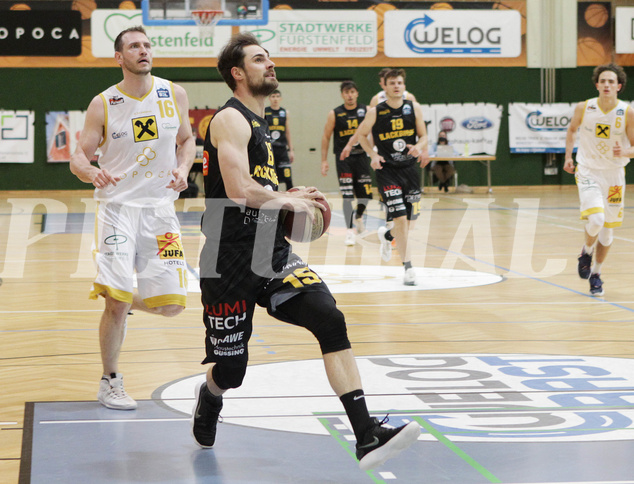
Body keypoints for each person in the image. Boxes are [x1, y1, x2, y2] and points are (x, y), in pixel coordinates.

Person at [193, 32, 420, 471]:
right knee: (232, 369)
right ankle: (212, 393)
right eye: (260, 59)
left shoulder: (264, 125)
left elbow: (258, 186)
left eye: (270, 58)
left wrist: (288, 192)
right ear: (238, 73)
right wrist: (290, 202)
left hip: (270, 250)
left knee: (329, 317)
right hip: (228, 256)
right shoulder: (229, 120)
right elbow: (239, 189)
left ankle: (366, 434)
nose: (271, 64)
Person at [70, 26, 196, 410]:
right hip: (117, 212)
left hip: (160, 212)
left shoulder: (174, 93)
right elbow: (78, 156)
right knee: (115, 304)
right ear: (119, 57)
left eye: (146, 45)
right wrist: (92, 173)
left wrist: (184, 168)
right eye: (134, 46)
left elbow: (187, 140)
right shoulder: (103, 103)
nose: (143, 51)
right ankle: (110, 380)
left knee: (172, 305)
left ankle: (120, 294)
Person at [563, 63, 634, 297]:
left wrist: (625, 152)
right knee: (596, 219)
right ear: (596, 84)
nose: (606, 84)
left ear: (619, 86)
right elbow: (571, 130)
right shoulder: (585, 107)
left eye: (611, 81)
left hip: (614, 175)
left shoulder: (627, 112)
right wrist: (568, 157)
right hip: (588, 171)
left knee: (607, 232)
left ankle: (596, 273)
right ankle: (585, 251)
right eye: (602, 80)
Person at [353, 68, 428, 285]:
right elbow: (361, 135)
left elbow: (423, 136)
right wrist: (373, 155)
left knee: (410, 221)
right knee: (401, 219)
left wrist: (419, 147)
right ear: (384, 87)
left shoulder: (414, 108)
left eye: (400, 83)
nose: (396, 86)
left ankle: (387, 236)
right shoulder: (375, 111)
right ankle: (408, 268)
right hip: (387, 171)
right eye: (392, 83)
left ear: (404, 86)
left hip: (410, 170)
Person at [321, 80, 373, 246]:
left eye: (352, 92)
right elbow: (326, 136)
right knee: (347, 196)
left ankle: (358, 218)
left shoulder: (366, 111)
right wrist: (324, 160)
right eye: (346, 92)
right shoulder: (335, 113)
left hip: (362, 157)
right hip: (344, 159)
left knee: (365, 195)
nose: (350, 95)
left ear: (357, 93)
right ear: (342, 95)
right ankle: (349, 230)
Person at [264, 89, 295, 190]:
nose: (275, 99)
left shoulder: (285, 112)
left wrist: (291, 150)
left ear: (280, 98)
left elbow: (288, 132)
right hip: (270, 149)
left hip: (282, 149)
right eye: (273, 96)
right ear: (269, 98)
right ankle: (274, 199)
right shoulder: (265, 111)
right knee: (272, 177)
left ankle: (291, 200)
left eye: (277, 96)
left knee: (288, 177)